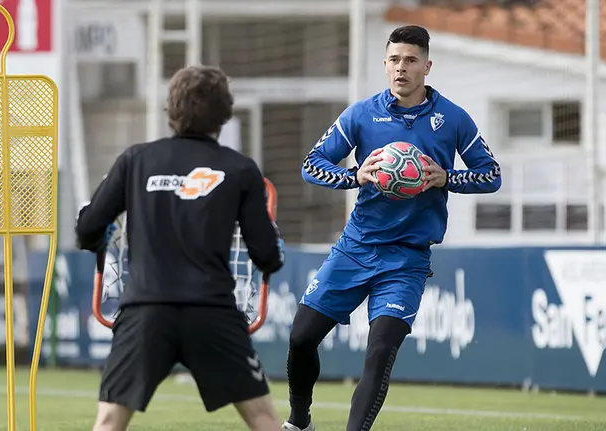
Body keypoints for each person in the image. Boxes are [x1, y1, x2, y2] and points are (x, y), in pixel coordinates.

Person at [282, 25, 501, 431]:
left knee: (379, 350)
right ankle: (299, 421)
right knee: (300, 337)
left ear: (427, 67)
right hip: (355, 248)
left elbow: (491, 175)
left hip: (407, 259)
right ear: (385, 65)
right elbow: (312, 165)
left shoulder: (452, 118)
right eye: (395, 60)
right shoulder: (361, 114)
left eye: (411, 60)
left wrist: (445, 177)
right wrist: (355, 175)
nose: (402, 68)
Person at [75, 64, 286, 431]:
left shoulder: (136, 160)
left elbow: (88, 229)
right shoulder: (239, 169)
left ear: (171, 109)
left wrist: (97, 233)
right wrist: (273, 249)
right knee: (264, 419)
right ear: (225, 113)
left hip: (145, 311)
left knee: (109, 421)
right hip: (212, 312)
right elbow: (266, 255)